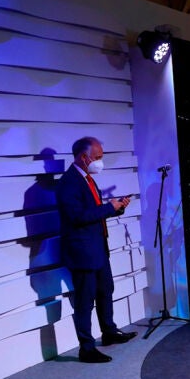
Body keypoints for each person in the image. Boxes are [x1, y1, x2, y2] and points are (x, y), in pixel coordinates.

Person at [56, 137, 136, 363]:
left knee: (105, 290)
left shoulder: (88, 179)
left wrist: (116, 208)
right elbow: (77, 217)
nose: (101, 162)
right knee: (85, 300)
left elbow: (94, 212)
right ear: (84, 157)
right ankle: (87, 348)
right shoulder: (68, 183)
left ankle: (109, 332)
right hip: (82, 252)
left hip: (98, 248)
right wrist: (108, 208)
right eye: (98, 157)